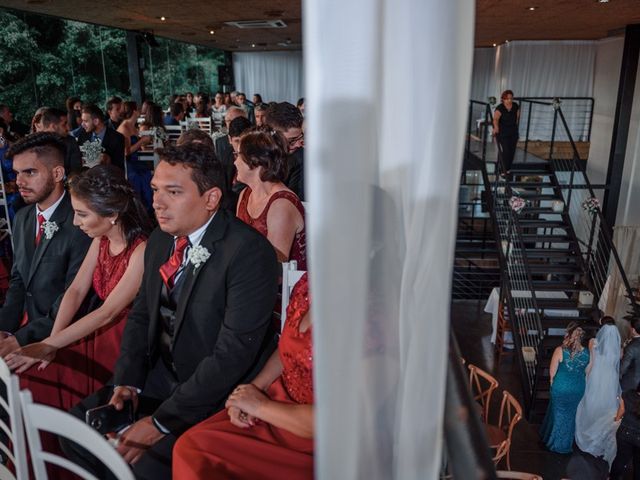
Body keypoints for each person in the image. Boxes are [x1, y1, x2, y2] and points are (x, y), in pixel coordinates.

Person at [60, 143, 279, 479]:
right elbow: (142, 316)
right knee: (75, 435)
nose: (157, 203)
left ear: (211, 199)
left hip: (211, 396)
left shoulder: (248, 252)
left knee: (143, 467)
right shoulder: (161, 241)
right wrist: (128, 384)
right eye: (155, 190)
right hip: (156, 381)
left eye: (173, 192)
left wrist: (160, 423)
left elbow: (231, 355)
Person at [6, 165, 151, 408]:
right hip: (92, 328)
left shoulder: (142, 250)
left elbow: (108, 312)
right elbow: (75, 291)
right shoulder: (99, 239)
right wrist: (51, 343)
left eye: (82, 214)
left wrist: (48, 345)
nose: (75, 222)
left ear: (112, 213)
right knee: (27, 377)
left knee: (41, 380)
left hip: (122, 341)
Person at [173, 273, 313, 479]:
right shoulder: (310, 283)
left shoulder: (369, 314)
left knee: (201, 457)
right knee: (192, 449)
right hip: (278, 398)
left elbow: (338, 425)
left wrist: (260, 407)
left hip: (311, 436)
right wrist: (254, 389)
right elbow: (290, 346)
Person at [235, 127, 306, 269]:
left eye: (238, 155)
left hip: (284, 287)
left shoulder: (281, 204)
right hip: (250, 278)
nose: (235, 162)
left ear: (255, 161)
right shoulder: (245, 194)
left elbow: (275, 269)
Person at [575, 316, 622, 466]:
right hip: (610, 378)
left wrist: (586, 376)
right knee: (606, 405)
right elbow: (617, 363)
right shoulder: (618, 348)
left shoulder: (593, 343)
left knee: (590, 403)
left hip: (596, 376)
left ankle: (587, 432)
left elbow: (592, 362)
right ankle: (601, 437)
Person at [540, 322, 590, 453]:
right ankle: (561, 441)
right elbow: (587, 371)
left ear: (568, 335)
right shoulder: (588, 353)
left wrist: (553, 384)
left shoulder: (560, 350)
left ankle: (557, 444)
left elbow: (552, 372)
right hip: (577, 388)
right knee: (570, 415)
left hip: (561, 387)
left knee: (558, 414)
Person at [117, 101, 154, 210]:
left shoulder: (133, 126)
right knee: (141, 177)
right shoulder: (124, 128)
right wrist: (142, 141)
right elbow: (125, 152)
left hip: (136, 160)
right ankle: (141, 208)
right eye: (138, 109)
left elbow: (140, 145)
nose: (139, 112)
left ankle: (149, 208)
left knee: (149, 173)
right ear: (134, 111)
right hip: (127, 163)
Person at [265, 102, 305, 200]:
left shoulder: (301, 160)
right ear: (272, 137)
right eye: (291, 141)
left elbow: (294, 200)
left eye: (301, 137)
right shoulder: (260, 153)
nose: (299, 144)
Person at [76, 104, 126, 170]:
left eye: (85, 121)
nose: (82, 124)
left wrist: (107, 160)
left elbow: (119, 167)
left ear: (96, 121)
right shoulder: (82, 135)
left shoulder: (117, 138)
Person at [40, 107, 83, 175]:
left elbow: (76, 170)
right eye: (64, 124)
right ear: (53, 127)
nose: (68, 128)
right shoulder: (35, 144)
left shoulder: (70, 141)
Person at [610, 383, 640, 479]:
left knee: (620, 460)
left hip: (625, 433)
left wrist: (615, 422)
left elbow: (621, 410)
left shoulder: (627, 394)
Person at [492, 90, 520, 176]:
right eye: (507, 99)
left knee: (512, 151)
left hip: (513, 132)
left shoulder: (515, 106)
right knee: (506, 150)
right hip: (503, 133)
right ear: (503, 99)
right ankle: (502, 169)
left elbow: (517, 118)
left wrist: (515, 127)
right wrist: (496, 127)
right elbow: (495, 119)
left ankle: (508, 169)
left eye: (511, 98)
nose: (509, 100)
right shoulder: (500, 108)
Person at [621, 318, 640, 392]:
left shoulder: (631, 347)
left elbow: (623, 368)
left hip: (630, 382)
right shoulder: (632, 344)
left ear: (633, 330)